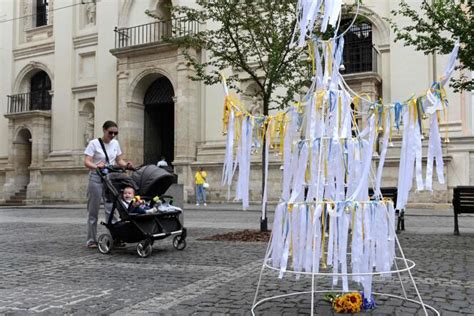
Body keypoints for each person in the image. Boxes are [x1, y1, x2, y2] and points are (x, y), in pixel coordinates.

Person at [83, 120, 133, 248]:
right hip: (96, 177)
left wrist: (127, 165)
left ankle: (116, 238)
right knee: (93, 210)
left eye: (115, 133)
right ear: (104, 130)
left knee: (112, 209)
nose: (112, 135)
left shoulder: (115, 143)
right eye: (110, 132)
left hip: (110, 178)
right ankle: (91, 240)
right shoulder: (94, 143)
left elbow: (119, 160)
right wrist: (96, 166)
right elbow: (87, 162)